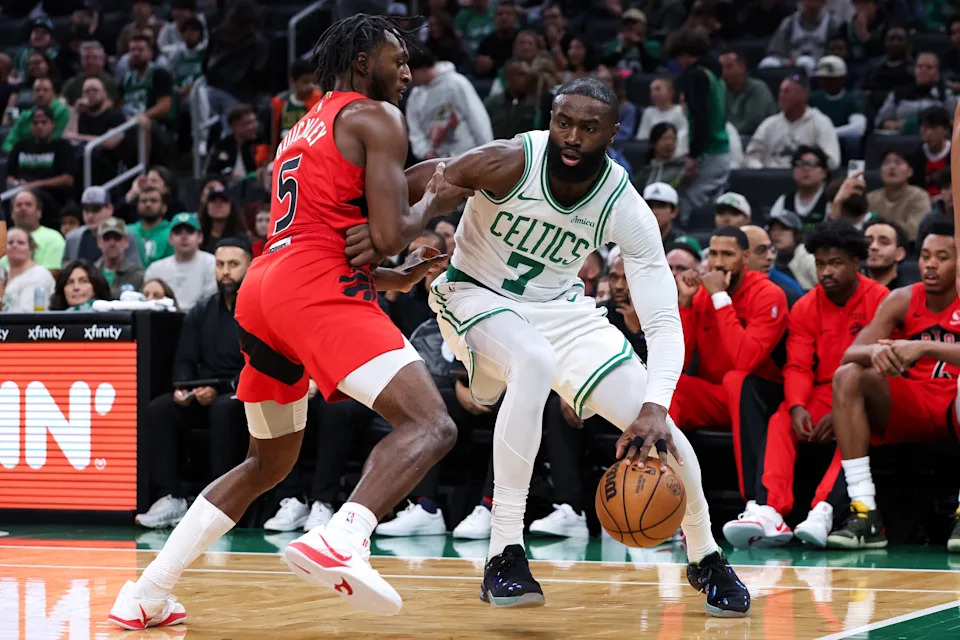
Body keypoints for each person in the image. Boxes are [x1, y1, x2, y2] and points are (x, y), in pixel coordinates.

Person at [108, 14, 472, 629]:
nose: (408, 72)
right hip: (312, 292)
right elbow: (385, 234)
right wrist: (439, 195)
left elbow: (319, 233)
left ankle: (146, 591)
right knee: (432, 424)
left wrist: (388, 278)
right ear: (362, 62)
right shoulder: (376, 117)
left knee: (266, 464)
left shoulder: (300, 127)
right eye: (396, 59)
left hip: (263, 292)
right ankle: (342, 536)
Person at [362, 77, 751, 615]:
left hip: (562, 310)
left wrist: (656, 405)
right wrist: (364, 252)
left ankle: (706, 555)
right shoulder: (507, 161)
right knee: (533, 361)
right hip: (474, 294)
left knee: (662, 432)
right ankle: (505, 551)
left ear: (614, 133)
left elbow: (663, 318)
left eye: (588, 128)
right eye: (563, 123)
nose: (571, 137)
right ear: (550, 119)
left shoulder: (622, 204)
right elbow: (418, 186)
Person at [724, 221, 889, 548]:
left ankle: (823, 511)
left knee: (854, 424)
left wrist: (839, 410)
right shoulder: (805, 305)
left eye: (835, 263)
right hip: (817, 392)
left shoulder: (881, 299)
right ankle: (770, 509)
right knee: (782, 418)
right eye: (820, 264)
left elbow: (882, 368)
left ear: (856, 263)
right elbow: (797, 365)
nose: (826, 271)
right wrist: (798, 405)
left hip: (863, 392)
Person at [829, 223, 960, 551]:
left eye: (942, 258)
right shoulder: (903, 298)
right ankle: (865, 511)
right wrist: (874, 351)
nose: (930, 264)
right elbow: (849, 354)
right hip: (912, 403)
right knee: (848, 374)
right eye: (926, 256)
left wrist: (925, 347)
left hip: (954, 404)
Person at [135, 238, 252, 528]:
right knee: (160, 409)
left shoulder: (257, 309)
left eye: (234, 265)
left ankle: (220, 503)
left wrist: (221, 390)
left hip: (243, 393)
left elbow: (259, 364)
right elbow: (185, 360)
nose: (226, 272)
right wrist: (185, 389)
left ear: (250, 267)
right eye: (220, 264)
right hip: (205, 391)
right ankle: (171, 497)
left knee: (223, 409)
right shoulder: (201, 310)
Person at [671, 227, 788, 513]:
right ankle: (665, 498)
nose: (718, 262)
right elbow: (680, 361)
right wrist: (685, 304)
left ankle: (755, 503)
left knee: (737, 380)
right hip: (718, 398)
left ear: (745, 257)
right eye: (713, 254)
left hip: (761, 398)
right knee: (672, 386)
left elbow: (746, 360)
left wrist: (721, 299)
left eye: (727, 254)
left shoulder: (768, 294)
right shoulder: (699, 295)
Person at [669, 29, 731, 215]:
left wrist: (693, 155)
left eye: (677, 58)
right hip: (721, 151)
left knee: (685, 203)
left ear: (686, 54)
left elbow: (699, 116)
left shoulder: (695, 76)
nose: (677, 64)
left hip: (708, 152)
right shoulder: (715, 75)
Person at [405, 48, 494, 162]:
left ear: (422, 68)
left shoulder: (457, 84)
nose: (408, 79)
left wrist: (487, 152)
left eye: (411, 73)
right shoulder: (416, 95)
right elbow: (415, 129)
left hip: (467, 156)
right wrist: (425, 151)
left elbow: (477, 119)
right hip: (436, 161)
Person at [745, 74, 841, 170]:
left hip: (806, 179)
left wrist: (808, 168)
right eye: (780, 91)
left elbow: (832, 161)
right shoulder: (769, 124)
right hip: (771, 179)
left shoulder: (821, 122)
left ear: (803, 94)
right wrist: (761, 171)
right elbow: (751, 156)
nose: (781, 96)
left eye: (787, 91)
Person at [5, 105, 76, 215]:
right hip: (19, 190)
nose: (39, 126)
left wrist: (35, 184)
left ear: (52, 124)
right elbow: (9, 176)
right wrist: (16, 183)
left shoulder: (63, 147)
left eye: (44, 122)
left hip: (50, 196)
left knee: (30, 197)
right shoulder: (20, 146)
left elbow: (68, 179)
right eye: (35, 123)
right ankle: (3, 232)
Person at [141, 212, 216, 312]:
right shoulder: (155, 269)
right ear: (170, 239)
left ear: (200, 237)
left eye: (189, 231)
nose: (184, 237)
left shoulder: (213, 264)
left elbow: (210, 303)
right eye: (178, 232)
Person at [63, 186, 143, 267]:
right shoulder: (73, 238)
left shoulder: (126, 234)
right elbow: (66, 270)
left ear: (110, 209)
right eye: (86, 209)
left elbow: (136, 270)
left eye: (95, 209)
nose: (90, 216)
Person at [867, 150, 932, 240]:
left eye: (898, 162)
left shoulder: (919, 196)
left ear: (910, 171)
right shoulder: (870, 198)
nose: (892, 166)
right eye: (886, 162)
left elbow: (915, 230)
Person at [769, 145, 832, 230]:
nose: (806, 169)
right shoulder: (784, 201)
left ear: (824, 172)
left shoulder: (831, 201)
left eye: (812, 164)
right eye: (800, 163)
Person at [0, 190, 65, 271]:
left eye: (28, 204)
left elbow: (53, 273)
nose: (23, 208)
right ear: (12, 213)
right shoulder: (3, 239)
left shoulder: (54, 237)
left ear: (39, 212)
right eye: (18, 205)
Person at [1, 78, 69, 153]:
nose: (40, 94)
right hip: (23, 158)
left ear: (53, 93)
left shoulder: (62, 112)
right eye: (37, 90)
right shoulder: (24, 116)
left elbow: (55, 139)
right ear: (33, 94)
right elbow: (8, 142)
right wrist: (16, 154)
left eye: (45, 90)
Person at [720, 49, 776, 136]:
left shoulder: (758, 88)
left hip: (757, 137)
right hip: (732, 138)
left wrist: (729, 135)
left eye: (729, 67)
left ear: (742, 67)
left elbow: (753, 122)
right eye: (722, 68)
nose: (724, 72)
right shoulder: (722, 89)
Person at [742, 224, 803, 304]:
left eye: (771, 249)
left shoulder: (787, 293)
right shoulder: (723, 287)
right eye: (761, 250)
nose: (770, 257)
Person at [205, 103, 270, 178]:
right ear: (235, 126)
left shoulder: (259, 144)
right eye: (248, 123)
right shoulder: (222, 146)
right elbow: (211, 173)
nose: (254, 126)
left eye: (255, 121)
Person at [271, 59, 322, 152]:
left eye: (314, 82)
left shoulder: (320, 101)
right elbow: (273, 136)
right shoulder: (280, 104)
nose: (311, 86)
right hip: (285, 152)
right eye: (305, 82)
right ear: (293, 82)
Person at [1, 228, 55, 312]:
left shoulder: (39, 274)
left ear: (31, 248)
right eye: (10, 242)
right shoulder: (3, 273)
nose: (14, 245)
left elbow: (27, 311)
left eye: (21, 243)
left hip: (27, 323)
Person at [636, 78, 688, 156]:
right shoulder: (648, 112)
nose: (653, 93)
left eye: (658, 89)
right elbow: (642, 138)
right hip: (654, 155)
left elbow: (684, 135)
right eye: (651, 90)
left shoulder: (680, 111)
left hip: (678, 154)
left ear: (671, 92)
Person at [95, 217, 145, 298]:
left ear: (126, 241)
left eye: (117, 238)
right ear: (99, 242)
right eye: (107, 238)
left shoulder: (138, 275)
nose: (112, 243)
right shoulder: (91, 273)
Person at [768, 210, 817, 290]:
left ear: (796, 233)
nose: (776, 233)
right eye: (773, 229)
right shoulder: (769, 257)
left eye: (783, 229)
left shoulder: (808, 257)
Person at [60, 41, 120, 106]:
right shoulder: (72, 84)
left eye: (95, 58)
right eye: (87, 58)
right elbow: (61, 102)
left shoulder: (110, 83)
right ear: (81, 61)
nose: (91, 62)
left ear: (102, 60)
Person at [862, 219, 914, 289]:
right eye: (868, 242)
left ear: (899, 254)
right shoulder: (851, 289)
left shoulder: (908, 293)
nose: (873, 247)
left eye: (884, 242)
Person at [128, 186, 173, 267]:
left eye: (153, 201)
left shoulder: (173, 232)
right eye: (144, 201)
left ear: (164, 207)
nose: (148, 204)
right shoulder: (127, 231)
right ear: (137, 206)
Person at [634, 122, 684, 189]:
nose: (669, 143)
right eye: (664, 139)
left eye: (673, 139)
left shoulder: (681, 169)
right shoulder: (645, 172)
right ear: (653, 143)